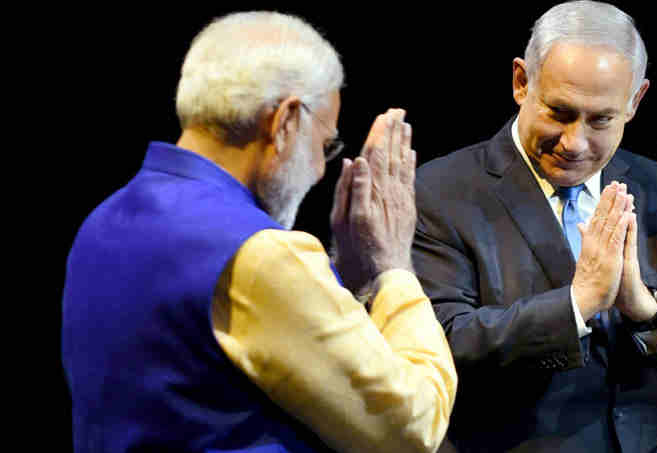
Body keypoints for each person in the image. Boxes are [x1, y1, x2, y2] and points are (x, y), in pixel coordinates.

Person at [62, 12, 456, 453]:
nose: (321, 168)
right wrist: (393, 268)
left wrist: (340, 281)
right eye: (325, 145)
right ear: (286, 121)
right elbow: (412, 429)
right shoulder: (259, 252)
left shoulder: (102, 221)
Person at [411, 1, 657, 452]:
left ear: (635, 101)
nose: (575, 143)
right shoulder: (438, 193)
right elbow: (440, 345)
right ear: (521, 82)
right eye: (560, 112)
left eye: (601, 119)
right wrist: (576, 303)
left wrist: (646, 308)